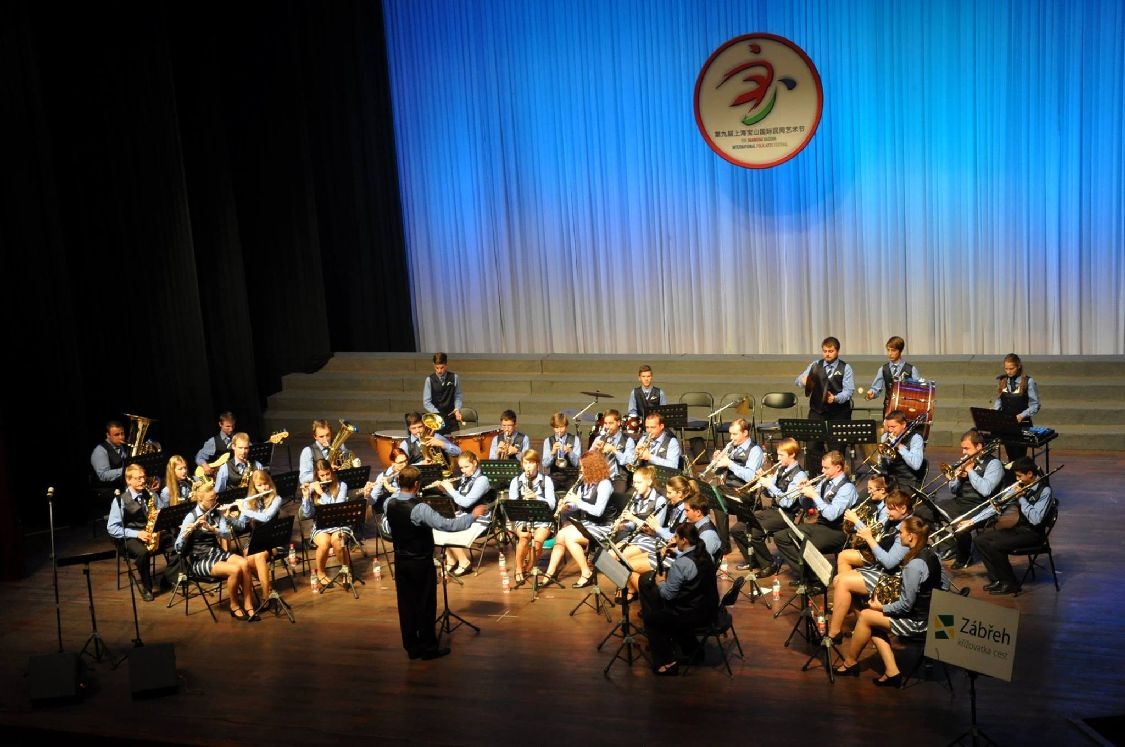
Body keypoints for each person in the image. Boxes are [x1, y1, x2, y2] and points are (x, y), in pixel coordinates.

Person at [385, 466, 488, 660]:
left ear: (399, 483)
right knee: (425, 604)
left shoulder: (389, 503)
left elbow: (389, 525)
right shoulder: (419, 508)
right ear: (417, 484)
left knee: (406, 605)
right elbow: (448, 525)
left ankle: (412, 647)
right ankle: (428, 648)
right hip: (420, 562)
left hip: (400, 561)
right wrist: (473, 516)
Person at [834, 516, 949, 687]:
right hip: (932, 613)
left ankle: (850, 662)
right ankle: (891, 671)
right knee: (870, 617)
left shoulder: (914, 565)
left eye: (901, 532)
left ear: (911, 536)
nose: (898, 535)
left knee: (866, 615)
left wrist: (882, 606)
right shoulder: (931, 553)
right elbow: (944, 584)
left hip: (919, 622)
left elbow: (906, 605)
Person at [826, 488, 914, 642]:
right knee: (839, 579)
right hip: (881, 568)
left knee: (843, 582)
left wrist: (869, 539)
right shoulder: (895, 520)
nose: (886, 512)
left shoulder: (907, 530)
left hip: (893, 578)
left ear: (903, 509)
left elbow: (889, 563)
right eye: (886, 507)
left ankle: (834, 634)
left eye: (890, 508)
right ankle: (855, 619)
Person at [959, 457, 1055, 595]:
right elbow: (997, 506)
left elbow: (1035, 519)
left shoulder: (1045, 491)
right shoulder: (1019, 486)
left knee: (996, 546)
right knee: (980, 540)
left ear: (1030, 474)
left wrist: (1021, 498)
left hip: (1033, 534)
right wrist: (973, 521)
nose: (1017, 479)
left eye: (1019, 476)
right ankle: (998, 578)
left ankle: (1010, 583)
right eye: (1016, 476)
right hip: (1019, 529)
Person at [638, 523, 719, 676]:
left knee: (652, 619)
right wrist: (676, 554)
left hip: (692, 615)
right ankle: (693, 651)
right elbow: (691, 568)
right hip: (708, 608)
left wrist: (660, 581)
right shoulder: (704, 553)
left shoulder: (682, 564)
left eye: (676, 537)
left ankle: (667, 662)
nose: (674, 540)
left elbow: (668, 594)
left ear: (684, 540)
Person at [772, 450, 858, 588]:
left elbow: (832, 515)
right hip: (820, 526)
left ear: (838, 467)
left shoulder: (847, 488)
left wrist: (815, 496)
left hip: (838, 531)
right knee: (781, 537)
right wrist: (804, 494)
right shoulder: (825, 481)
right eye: (822, 467)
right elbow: (806, 505)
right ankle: (809, 576)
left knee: (804, 545)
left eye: (826, 468)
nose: (822, 471)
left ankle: (813, 579)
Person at [174, 481, 258, 621]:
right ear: (200, 500)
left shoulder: (215, 512)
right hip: (199, 559)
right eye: (211, 500)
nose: (215, 502)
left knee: (244, 564)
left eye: (215, 498)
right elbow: (178, 547)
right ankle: (234, 605)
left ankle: (249, 605)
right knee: (235, 570)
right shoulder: (191, 516)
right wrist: (187, 533)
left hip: (216, 553)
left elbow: (226, 534)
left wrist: (212, 528)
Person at [733, 438, 808, 575]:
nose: (778, 458)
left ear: (792, 455)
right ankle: (753, 560)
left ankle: (769, 564)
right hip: (773, 510)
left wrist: (770, 486)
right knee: (737, 529)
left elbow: (787, 502)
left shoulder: (799, 475)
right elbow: (769, 494)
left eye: (781, 455)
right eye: (778, 454)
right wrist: (763, 482)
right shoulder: (780, 468)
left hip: (786, 515)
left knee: (754, 533)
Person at [541, 451, 614, 588]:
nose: (581, 470)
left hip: (603, 526)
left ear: (593, 467)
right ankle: (550, 573)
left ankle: (586, 573)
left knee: (570, 538)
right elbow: (577, 504)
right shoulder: (584, 482)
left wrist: (578, 502)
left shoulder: (605, 484)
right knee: (561, 535)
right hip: (588, 523)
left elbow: (598, 511)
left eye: (583, 467)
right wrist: (568, 506)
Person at [939, 429, 1005, 570]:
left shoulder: (994, 464)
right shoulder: (965, 461)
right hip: (961, 501)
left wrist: (970, 471)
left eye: (966, 448)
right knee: (927, 511)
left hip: (981, 504)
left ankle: (964, 556)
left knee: (960, 525)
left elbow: (986, 490)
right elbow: (953, 490)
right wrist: (957, 477)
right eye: (962, 448)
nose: (963, 452)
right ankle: (949, 547)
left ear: (979, 447)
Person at [621, 475, 694, 599]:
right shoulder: (676, 507)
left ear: (680, 493)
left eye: (670, 493)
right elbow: (671, 530)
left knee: (628, 565)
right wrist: (653, 530)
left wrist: (657, 528)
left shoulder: (685, 511)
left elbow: (677, 538)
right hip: (664, 546)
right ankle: (639, 593)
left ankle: (652, 603)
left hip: (675, 553)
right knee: (625, 560)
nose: (667, 495)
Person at [107, 462, 169, 601]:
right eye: (138, 478)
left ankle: (169, 577)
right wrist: (137, 534)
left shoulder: (150, 494)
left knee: (176, 541)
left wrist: (160, 517)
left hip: (150, 532)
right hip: (129, 536)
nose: (143, 481)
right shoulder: (120, 500)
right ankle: (147, 587)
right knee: (143, 553)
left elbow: (161, 510)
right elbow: (112, 528)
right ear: (128, 480)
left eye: (143, 477)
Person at [795, 336, 856, 473]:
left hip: (839, 414)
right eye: (825, 351)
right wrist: (803, 380)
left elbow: (849, 391)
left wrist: (835, 398)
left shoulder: (846, 368)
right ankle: (816, 478)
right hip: (817, 412)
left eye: (830, 351)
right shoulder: (815, 365)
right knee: (812, 447)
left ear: (837, 351)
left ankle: (836, 478)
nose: (827, 354)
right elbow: (798, 381)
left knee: (836, 449)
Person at [300, 458, 355, 588]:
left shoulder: (342, 486)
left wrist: (321, 494)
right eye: (322, 476)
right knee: (324, 544)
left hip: (340, 523)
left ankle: (346, 571)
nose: (325, 478)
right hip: (321, 525)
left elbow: (337, 507)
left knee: (337, 541)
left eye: (327, 474)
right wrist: (307, 497)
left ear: (331, 472)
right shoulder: (314, 489)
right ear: (317, 477)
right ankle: (321, 573)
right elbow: (307, 514)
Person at [433, 450, 491, 575]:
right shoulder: (465, 478)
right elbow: (458, 497)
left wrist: (450, 489)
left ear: (475, 463)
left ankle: (464, 562)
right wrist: (444, 490)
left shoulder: (482, 480)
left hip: (478, 516)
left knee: (450, 530)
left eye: (466, 466)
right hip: (463, 515)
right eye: (461, 468)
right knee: (438, 527)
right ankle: (451, 559)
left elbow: (466, 503)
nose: (463, 471)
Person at [234, 469, 284, 606]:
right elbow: (240, 526)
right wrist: (230, 516)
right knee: (247, 560)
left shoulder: (276, 499)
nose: (263, 487)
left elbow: (266, 517)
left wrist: (245, 510)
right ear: (254, 487)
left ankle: (265, 595)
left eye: (265, 484)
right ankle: (268, 588)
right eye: (259, 485)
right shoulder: (250, 502)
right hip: (255, 539)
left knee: (259, 556)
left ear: (269, 483)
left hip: (273, 539)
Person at [507, 449, 556, 586]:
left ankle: (529, 567)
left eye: (531, 463)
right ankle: (518, 569)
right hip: (522, 518)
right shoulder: (516, 481)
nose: (528, 466)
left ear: (537, 464)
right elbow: (513, 504)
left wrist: (536, 497)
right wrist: (523, 502)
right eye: (525, 463)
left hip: (542, 518)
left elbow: (551, 504)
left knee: (538, 541)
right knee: (524, 538)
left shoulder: (547, 480)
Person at [993, 353, 1041, 461]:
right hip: (1007, 425)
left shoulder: (1028, 381)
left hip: (1022, 424)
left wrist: (1022, 415)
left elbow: (1035, 405)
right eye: (1006, 369)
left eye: (1011, 368)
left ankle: (1021, 475)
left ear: (1018, 366)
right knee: (1010, 455)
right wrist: (995, 411)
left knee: (1020, 456)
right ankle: (1012, 476)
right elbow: (1000, 399)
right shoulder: (1003, 380)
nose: (1008, 372)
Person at [873, 410, 927, 491]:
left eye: (893, 427)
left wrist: (899, 446)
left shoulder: (916, 438)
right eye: (888, 426)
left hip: (908, 481)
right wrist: (882, 459)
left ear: (904, 424)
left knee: (892, 499)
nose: (890, 430)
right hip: (891, 479)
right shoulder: (885, 437)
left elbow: (916, 465)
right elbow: (884, 466)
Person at [588, 408, 634, 493]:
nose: (607, 426)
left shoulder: (628, 440)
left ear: (619, 423)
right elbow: (587, 461)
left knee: (616, 499)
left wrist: (614, 450)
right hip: (601, 476)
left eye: (611, 423)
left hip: (619, 478)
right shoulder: (599, 439)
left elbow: (629, 461)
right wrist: (594, 449)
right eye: (605, 423)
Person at [865, 337, 921, 404]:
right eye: (888, 350)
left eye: (893, 350)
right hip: (888, 409)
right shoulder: (883, 369)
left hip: (905, 409)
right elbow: (876, 389)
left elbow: (919, 391)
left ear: (900, 351)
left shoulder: (911, 369)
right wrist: (872, 394)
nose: (890, 353)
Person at [423, 352, 463, 435]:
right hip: (437, 419)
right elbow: (426, 402)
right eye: (437, 368)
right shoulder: (429, 380)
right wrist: (437, 414)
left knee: (455, 444)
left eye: (442, 368)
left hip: (452, 418)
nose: (439, 371)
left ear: (446, 365)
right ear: (433, 365)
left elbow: (457, 395)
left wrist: (457, 409)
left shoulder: (454, 377)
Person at [542, 411, 581, 491]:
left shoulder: (575, 439)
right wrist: (552, 452)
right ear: (553, 427)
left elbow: (578, 463)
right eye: (556, 427)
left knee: (574, 490)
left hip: (571, 476)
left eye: (562, 427)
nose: (559, 430)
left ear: (566, 426)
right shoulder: (548, 441)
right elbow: (545, 465)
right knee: (546, 488)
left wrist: (570, 451)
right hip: (554, 475)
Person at [194, 411, 236, 479]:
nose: (231, 429)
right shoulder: (213, 441)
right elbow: (199, 457)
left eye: (233, 426)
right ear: (220, 424)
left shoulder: (238, 438)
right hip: (220, 476)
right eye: (227, 426)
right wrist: (205, 466)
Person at [91, 419, 129, 491]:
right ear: (108, 435)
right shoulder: (100, 451)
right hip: (106, 491)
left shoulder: (123, 447)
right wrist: (126, 470)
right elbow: (103, 475)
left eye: (122, 433)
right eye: (116, 435)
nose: (121, 437)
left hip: (122, 488)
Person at [299, 420, 335, 485]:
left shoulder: (338, 446)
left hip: (338, 487)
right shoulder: (308, 451)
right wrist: (321, 473)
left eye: (328, 435)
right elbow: (303, 478)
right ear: (315, 436)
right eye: (321, 436)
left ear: (331, 433)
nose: (326, 439)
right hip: (319, 490)